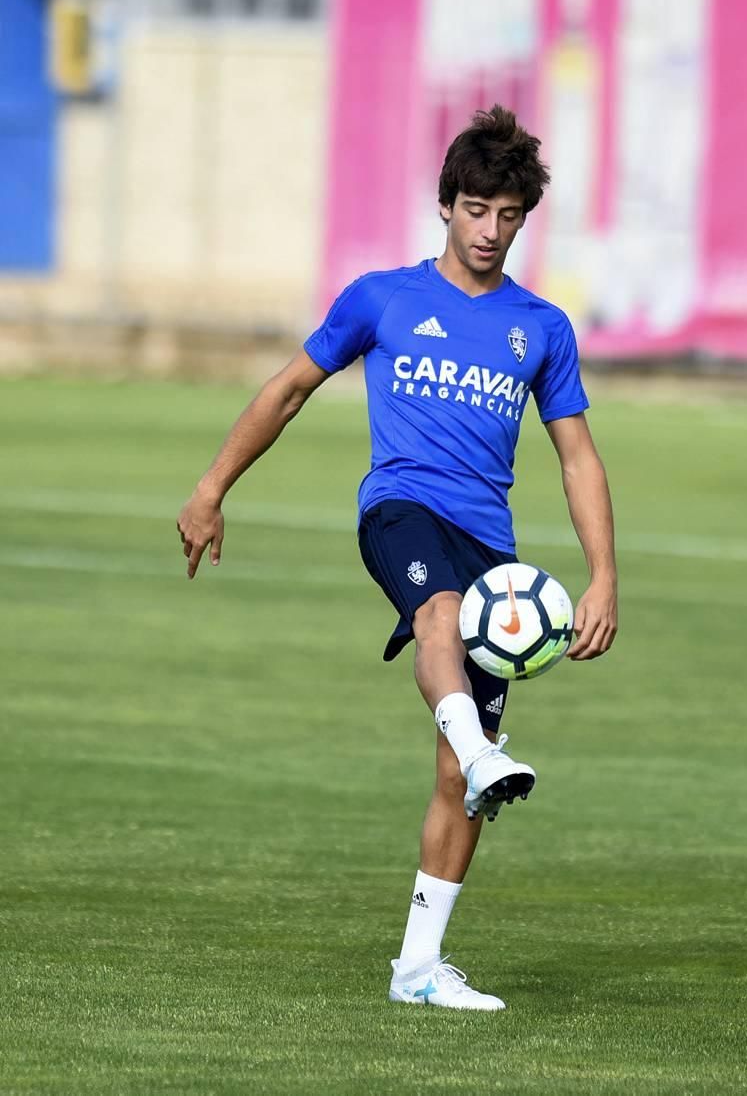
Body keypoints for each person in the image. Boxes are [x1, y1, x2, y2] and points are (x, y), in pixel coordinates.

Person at [177, 105, 617, 1011]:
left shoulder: (540, 327)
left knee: (462, 779)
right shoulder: (382, 297)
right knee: (438, 616)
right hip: (400, 508)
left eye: (508, 216)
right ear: (444, 205)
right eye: (474, 210)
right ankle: (481, 747)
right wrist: (212, 487)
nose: (489, 232)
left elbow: (576, 453)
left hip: (493, 548)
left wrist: (604, 572)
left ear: (524, 219)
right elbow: (289, 389)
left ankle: (418, 968)